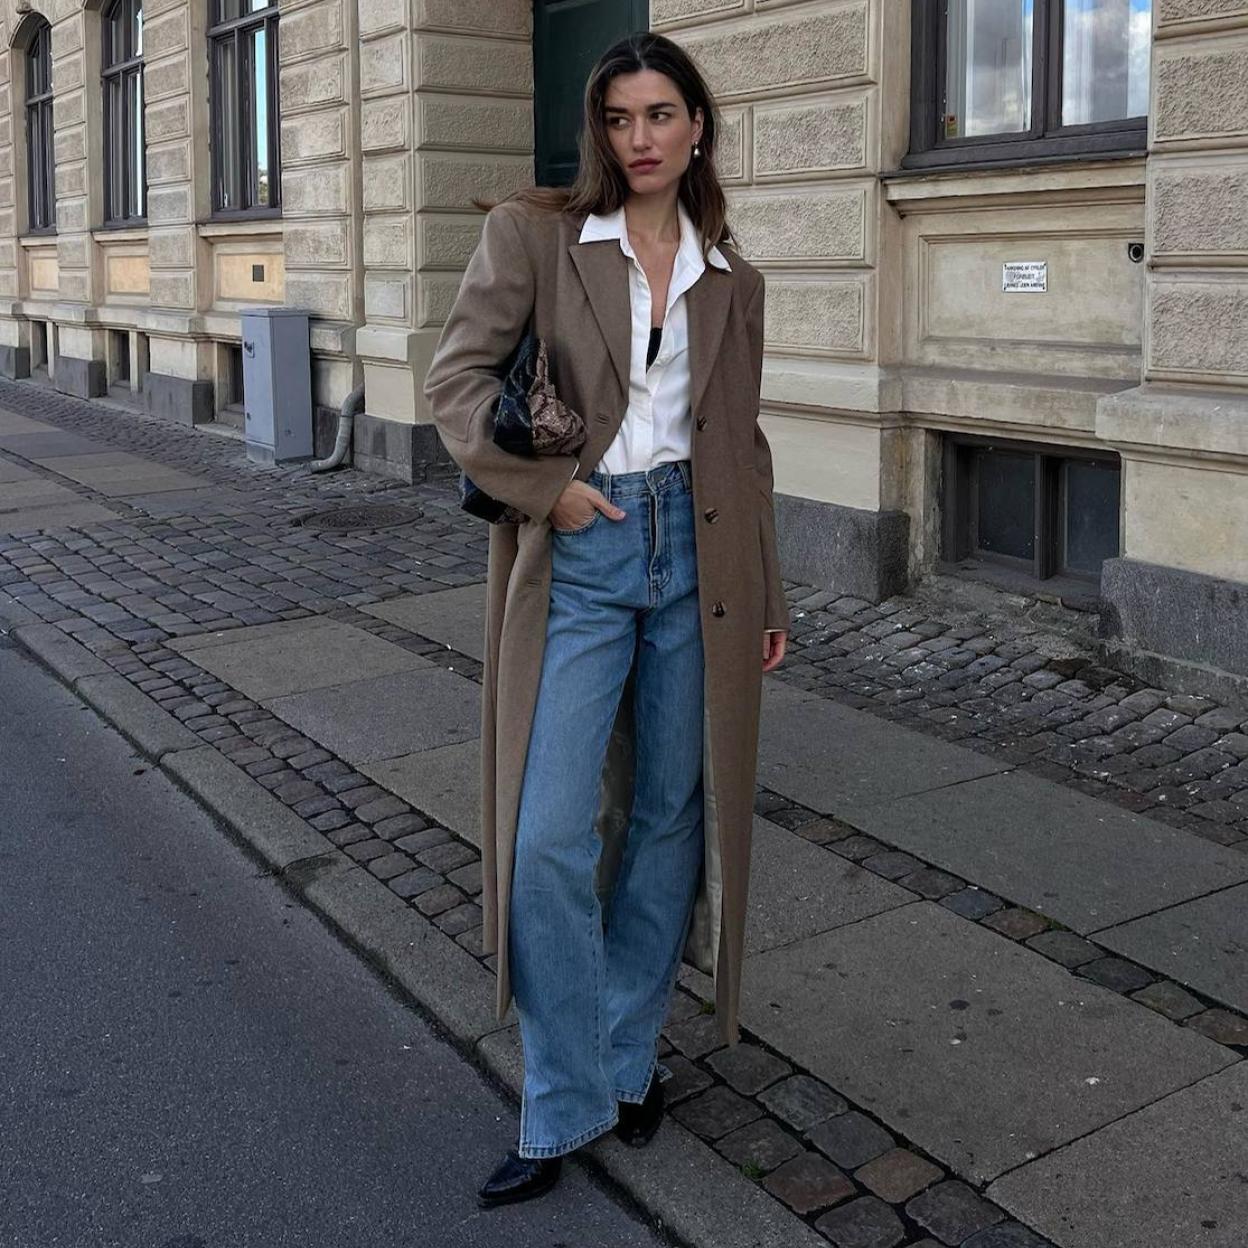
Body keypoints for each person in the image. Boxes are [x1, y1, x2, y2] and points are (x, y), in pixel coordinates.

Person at [423, 31, 789, 1209]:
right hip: (587, 544)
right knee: (546, 832)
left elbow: (744, 443)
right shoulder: (536, 236)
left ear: (697, 127)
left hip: (705, 551)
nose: (641, 139)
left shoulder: (731, 275)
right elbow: (457, 381)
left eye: (662, 115)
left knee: (674, 814)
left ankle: (629, 1061)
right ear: (602, 130)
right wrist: (552, 492)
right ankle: (565, 1089)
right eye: (622, 118)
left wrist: (771, 597)